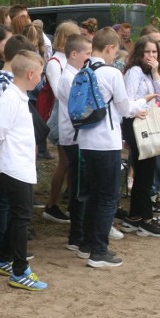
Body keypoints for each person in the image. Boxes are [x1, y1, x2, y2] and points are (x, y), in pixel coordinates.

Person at [76, 28, 155, 267]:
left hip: (86, 140)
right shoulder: (111, 73)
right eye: (114, 51)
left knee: (92, 193)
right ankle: (99, 250)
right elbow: (124, 107)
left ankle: (86, 243)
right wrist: (143, 101)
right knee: (108, 196)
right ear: (110, 48)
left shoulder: (85, 69)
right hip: (106, 141)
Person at [0, 50, 48, 291]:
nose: (41, 78)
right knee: (21, 217)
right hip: (13, 167)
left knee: (19, 215)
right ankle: (19, 270)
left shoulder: (18, 96)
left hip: (19, 165)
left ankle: (2, 257)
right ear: (30, 74)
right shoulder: (10, 98)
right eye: (40, 74)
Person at [119, 36, 160, 238]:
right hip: (136, 123)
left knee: (143, 171)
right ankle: (147, 219)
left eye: (154, 52)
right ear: (139, 53)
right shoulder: (134, 72)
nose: (151, 56)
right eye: (147, 52)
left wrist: (156, 73)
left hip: (145, 123)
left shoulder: (150, 73)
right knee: (145, 171)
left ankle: (134, 216)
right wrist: (139, 107)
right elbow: (128, 99)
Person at [56, 33, 92, 252]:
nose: (89, 57)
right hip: (74, 137)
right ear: (74, 53)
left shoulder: (76, 74)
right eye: (87, 53)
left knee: (81, 184)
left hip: (76, 136)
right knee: (79, 186)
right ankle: (76, 236)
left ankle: (79, 232)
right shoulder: (70, 78)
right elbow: (79, 109)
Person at [42, 21, 80, 224]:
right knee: (64, 162)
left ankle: (66, 200)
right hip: (61, 118)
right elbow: (60, 93)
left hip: (71, 117)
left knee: (69, 163)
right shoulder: (55, 63)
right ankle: (52, 204)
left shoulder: (68, 60)